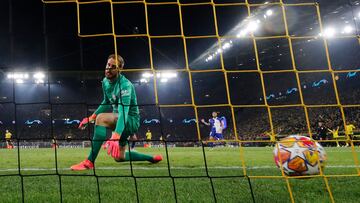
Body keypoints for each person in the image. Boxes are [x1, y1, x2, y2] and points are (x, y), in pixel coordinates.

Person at [71, 54, 162, 171]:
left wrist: (116, 135)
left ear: (119, 69)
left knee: (101, 118)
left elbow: (124, 112)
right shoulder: (105, 81)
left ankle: (89, 162)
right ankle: (151, 158)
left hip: (130, 121)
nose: (108, 68)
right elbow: (106, 102)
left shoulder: (125, 85)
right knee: (119, 157)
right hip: (119, 122)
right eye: (108, 65)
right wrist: (91, 117)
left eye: (113, 67)